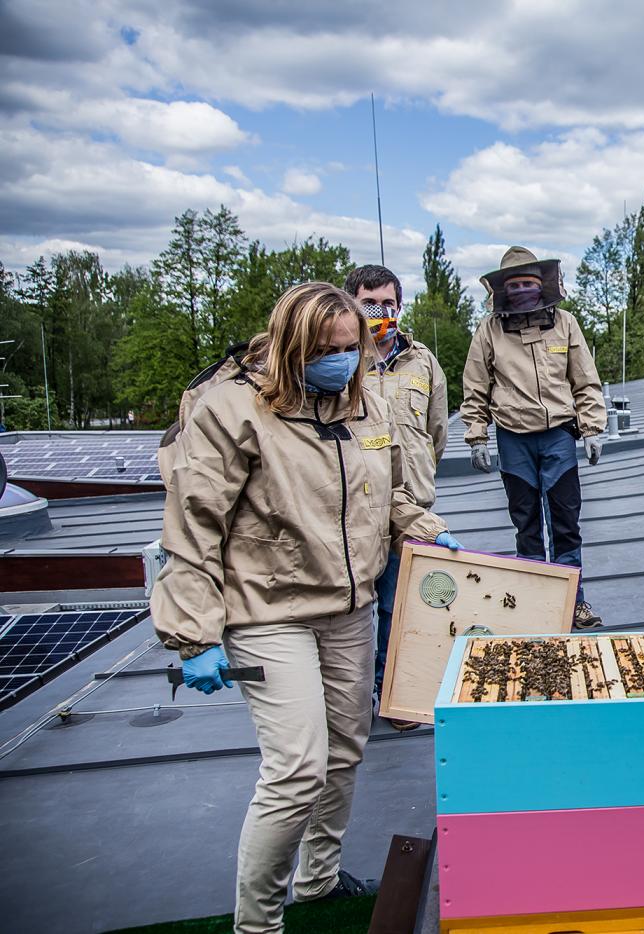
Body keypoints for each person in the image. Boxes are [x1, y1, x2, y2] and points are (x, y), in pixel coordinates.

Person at [151, 282, 463, 933]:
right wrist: (194, 635)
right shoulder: (232, 409)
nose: (342, 361)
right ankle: (257, 923)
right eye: (327, 350)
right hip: (267, 611)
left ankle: (319, 879)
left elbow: (385, 494)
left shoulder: (365, 402)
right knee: (296, 768)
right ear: (292, 346)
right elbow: (194, 524)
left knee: (345, 750)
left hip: (348, 608)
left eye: (352, 348)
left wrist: (425, 531)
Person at [461, 247, 607, 630]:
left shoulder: (566, 323)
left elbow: (585, 380)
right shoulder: (489, 330)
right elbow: (475, 386)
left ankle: (574, 603)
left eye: (528, 283)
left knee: (565, 524)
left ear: (542, 284)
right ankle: (534, 606)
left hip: (559, 436)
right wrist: (477, 436)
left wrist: (592, 428)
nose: (522, 290)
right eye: (515, 284)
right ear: (503, 290)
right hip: (513, 439)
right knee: (526, 526)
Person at [344, 264, 449, 722]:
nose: (380, 312)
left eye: (388, 303)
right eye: (369, 303)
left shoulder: (422, 360)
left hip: (410, 508)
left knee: (399, 606)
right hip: (355, 510)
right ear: (351, 305)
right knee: (353, 608)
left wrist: (416, 480)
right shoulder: (340, 357)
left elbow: (436, 432)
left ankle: (391, 693)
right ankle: (352, 701)